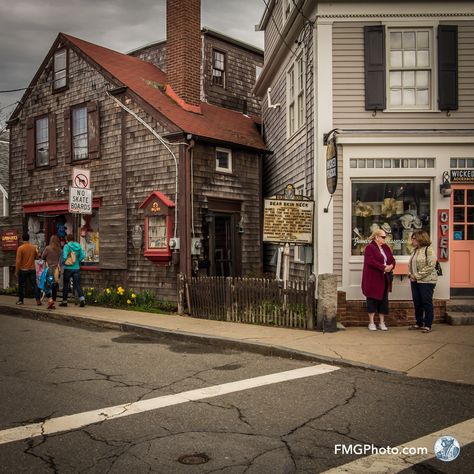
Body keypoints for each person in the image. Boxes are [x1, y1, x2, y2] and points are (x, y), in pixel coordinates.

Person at [361, 228, 396, 331]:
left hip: (384, 278)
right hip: (373, 278)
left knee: (383, 300)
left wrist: (391, 266)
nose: (385, 239)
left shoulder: (386, 247)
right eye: (383, 237)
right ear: (376, 237)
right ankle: (371, 322)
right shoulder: (369, 248)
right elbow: (370, 261)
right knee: (372, 299)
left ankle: (382, 322)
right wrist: (383, 267)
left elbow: (392, 259)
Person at [408, 230, 438, 333]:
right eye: (412, 238)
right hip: (415, 280)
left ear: (421, 238)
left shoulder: (428, 250)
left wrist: (416, 276)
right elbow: (412, 264)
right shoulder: (415, 250)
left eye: (414, 238)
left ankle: (428, 325)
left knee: (426, 302)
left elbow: (431, 266)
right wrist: (410, 275)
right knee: (417, 302)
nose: (412, 240)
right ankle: (419, 323)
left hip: (427, 281)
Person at [15, 232, 41, 305]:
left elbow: (18, 261)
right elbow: (37, 257)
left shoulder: (20, 248)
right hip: (32, 269)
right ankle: (38, 300)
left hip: (23, 270)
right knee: (34, 285)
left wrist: (16, 271)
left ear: (23, 239)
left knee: (21, 285)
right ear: (28, 238)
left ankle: (21, 300)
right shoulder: (33, 247)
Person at [60, 234, 86, 307]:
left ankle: (64, 301)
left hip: (68, 268)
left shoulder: (66, 246)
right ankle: (82, 299)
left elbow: (64, 257)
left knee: (66, 285)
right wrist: (77, 261)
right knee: (77, 284)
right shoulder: (78, 246)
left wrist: (64, 262)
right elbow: (83, 256)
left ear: (67, 239)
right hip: (76, 268)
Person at [41, 235, 62, 309]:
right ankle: (53, 300)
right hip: (56, 270)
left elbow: (42, 257)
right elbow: (61, 260)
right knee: (54, 285)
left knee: (48, 285)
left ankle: (50, 300)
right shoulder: (59, 249)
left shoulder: (47, 248)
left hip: (49, 269)